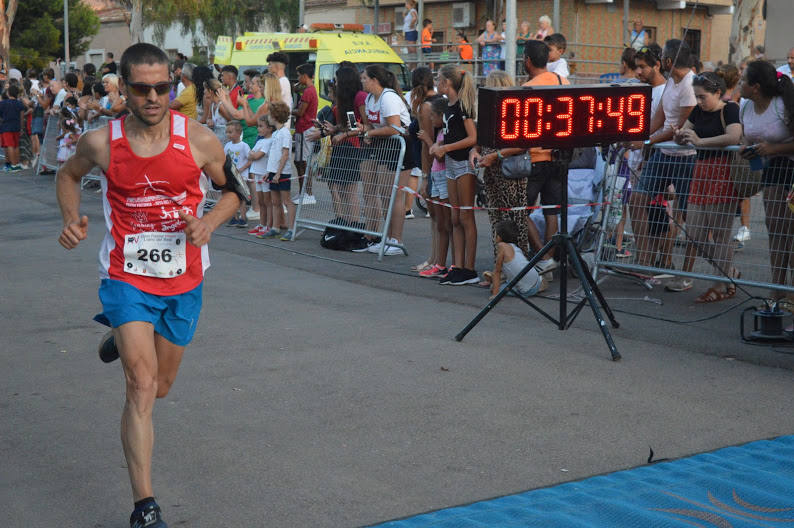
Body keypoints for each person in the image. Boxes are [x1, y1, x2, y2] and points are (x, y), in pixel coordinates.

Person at [55, 42, 240, 528]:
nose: (154, 97)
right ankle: (145, 506)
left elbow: (234, 192)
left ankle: (120, 335)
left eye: (163, 87)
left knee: (160, 386)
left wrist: (210, 224)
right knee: (139, 385)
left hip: (184, 278)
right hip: (125, 275)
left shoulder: (199, 139)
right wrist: (73, 219)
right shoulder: (101, 142)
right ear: (125, 87)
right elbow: (68, 175)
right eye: (142, 88)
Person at [672, 71, 742, 302]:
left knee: (721, 233)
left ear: (718, 93)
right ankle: (728, 273)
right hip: (701, 171)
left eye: (702, 97)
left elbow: (733, 136)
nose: (699, 101)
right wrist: (681, 137)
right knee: (694, 233)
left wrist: (701, 142)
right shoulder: (699, 111)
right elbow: (685, 132)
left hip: (722, 172)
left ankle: (719, 284)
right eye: (697, 97)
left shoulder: (729, 109)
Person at [633, 39, 697, 275]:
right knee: (637, 200)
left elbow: (679, 126)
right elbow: (659, 118)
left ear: (668, 62)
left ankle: (689, 270)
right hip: (664, 153)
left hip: (685, 157)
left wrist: (647, 141)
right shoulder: (671, 80)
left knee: (689, 214)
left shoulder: (690, 84)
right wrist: (638, 135)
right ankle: (646, 262)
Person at [739, 60, 794, 300]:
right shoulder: (745, 105)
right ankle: (778, 289)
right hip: (772, 168)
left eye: (743, 81)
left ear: (756, 87)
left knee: (789, 231)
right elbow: (745, 135)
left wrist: (773, 148)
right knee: (776, 227)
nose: (739, 84)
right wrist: (744, 148)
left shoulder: (783, 105)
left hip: (790, 164)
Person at [470, 70, 531, 263]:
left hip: (510, 174)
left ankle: (517, 265)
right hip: (491, 173)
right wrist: (475, 151)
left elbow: (523, 144)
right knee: (496, 219)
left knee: (514, 222)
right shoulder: (488, 112)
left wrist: (495, 156)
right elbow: (479, 141)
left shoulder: (514, 110)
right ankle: (501, 266)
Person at [522, 40, 570, 276]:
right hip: (560, 158)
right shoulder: (563, 82)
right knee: (552, 211)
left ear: (528, 61)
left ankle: (541, 254)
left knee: (520, 210)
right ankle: (549, 259)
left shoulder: (527, 88)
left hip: (535, 159)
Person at [355, 64, 413, 256]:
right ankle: (387, 238)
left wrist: (371, 132)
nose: (361, 81)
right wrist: (366, 130)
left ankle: (396, 240)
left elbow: (395, 127)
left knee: (394, 195)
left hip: (401, 147)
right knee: (384, 194)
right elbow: (375, 124)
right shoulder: (371, 98)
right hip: (385, 147)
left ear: (374, 80)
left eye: (364, 78)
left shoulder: (388, 97)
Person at [432, 64, 478, 285]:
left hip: (463, 165)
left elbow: (472, 138)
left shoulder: (463, 106)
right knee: (454, 217)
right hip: (450, 165)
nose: (436, 82)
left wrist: (446, 148)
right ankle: (457, 266)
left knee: (466, 217)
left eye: (438, 78)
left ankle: (469, 268)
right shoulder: (448, 105)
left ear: (447, 82)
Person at [622, 44, 667, 259]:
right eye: (635, 67)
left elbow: (665, 129)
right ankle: (645, 258)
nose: (638, 72)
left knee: (658, 212)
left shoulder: (666, 92)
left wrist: (646, 152)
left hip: (655, 161)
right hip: (638, 160)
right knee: (639, 207)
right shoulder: (641, 91)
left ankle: (658, 260)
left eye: (642, 67)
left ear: (657, 65)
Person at [417, 96, 450, 278]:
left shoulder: (443, 134)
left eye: (432, 116)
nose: (429, 120)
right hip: (436, 176)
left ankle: (441, 263)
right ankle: (437, 262)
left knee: (443, 223)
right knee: (439, 223)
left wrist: (428, 141)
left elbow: (438, 155)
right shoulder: (439, 133)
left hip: (441, 176)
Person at [260, 101, 296, 240]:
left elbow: (285, 154)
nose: (268, 116)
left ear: (275, 116)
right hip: (273, 172)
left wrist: (279, 173)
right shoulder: (276, 133)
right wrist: (269, 172)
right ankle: (275, 227)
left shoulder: (285, 133)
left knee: (286, 201)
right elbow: (274, 155)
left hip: (282, 172)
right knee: (275, 201)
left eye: (270, 114)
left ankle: (292, 228)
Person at [484, 220, 547, 299]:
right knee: (512, 275)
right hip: (537, 280)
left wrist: (495, 294)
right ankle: (539, 284)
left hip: (527, 291)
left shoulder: (501, 246)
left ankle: (496, 281)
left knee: (494, 287)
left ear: (499, 237)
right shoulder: (514, 247)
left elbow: (497, 271)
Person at [292, 63, 318, 204]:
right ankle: (303, 192)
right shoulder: (307, 89)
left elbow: (301, 112)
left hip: (305, 128)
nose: (297, 78)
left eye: (298, 75)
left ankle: (308, 193)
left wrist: (287, 110)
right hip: (302, 129)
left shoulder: (308, 91)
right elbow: (296, 88)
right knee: (299, 162)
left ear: (304, 76)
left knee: (303, 162)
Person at [248, 115, 275, 237]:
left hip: (264, 175)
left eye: (261, 126)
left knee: (267, 202)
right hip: (257, 175)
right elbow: (250, 155)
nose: (258, 129)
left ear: (269, 128)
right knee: (261, 202)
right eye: (258, 126)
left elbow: (256, 155)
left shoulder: (269, 141)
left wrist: (253, 155)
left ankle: (269, 225)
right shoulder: (260, 141)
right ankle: (262, 224)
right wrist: (253, 155)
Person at [223, 120, 252, 228]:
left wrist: (241, 169)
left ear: (239, 133)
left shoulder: (244, 146)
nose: (228, 134)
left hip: (241, 176)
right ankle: (234, 217)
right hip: (231, 176)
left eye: (230, 132)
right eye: (227, 132)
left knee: (241, 197)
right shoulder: (227, 146)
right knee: (232, 197)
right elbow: (224, 159)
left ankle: (243, 218)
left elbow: (250, 160)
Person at [0, 84, 27, 171]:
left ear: (8, 93)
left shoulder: (2, 103)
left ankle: (13, 165)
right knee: (16, 146)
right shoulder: (19, 103)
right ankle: (17, 163)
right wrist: (22, 128)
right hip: (16, 127)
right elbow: (22, 117)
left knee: (9, 145)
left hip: (6, 127)